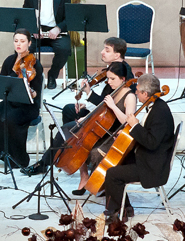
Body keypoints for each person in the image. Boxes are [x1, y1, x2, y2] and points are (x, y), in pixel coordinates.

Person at [24, 63, 138, 194]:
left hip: (112, 135)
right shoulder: (113, 90)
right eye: (108, 78)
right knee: (66, 130)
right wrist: (87, 118)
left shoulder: (130, 96)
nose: (109, 82)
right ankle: (53, 162)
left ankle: (99, 182)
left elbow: (128, 122)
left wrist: (113, 106)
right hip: (100, 129)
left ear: (123, 79)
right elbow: (102, 111)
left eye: (113, 79)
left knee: (90, 149)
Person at [92, 73, 175, 221]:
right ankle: (126, 207)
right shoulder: (156, 106)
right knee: (117, 161)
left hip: (152, 166)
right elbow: (149, 137)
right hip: (149, 157)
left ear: (145, 93)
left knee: (112, 173)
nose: (135, 93)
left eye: (137, 90)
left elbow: (152, 142)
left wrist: (135, 125)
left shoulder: (160, 112)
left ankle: (117, 212)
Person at [0, 29, 43, 169]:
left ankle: (18, 159)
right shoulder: (9, 61)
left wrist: (31, 92)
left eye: (22, 41)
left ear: (29, 43)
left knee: (10, 118)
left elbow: (37, 92)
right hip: (11, 101)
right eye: (16, 41)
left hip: (28, 106)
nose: (18, 44)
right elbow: (2, 82)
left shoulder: (35, 64)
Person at [62, 37, 134, 124]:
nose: (102, 52)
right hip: (100, 111)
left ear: (117, 55)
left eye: (107, 51)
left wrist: (89, 93)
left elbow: (106, 104)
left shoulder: (121, 74)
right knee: (68, 109)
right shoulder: (113, 69)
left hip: (107, 119)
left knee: (69, 118)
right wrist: (87, 105)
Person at [24, 0, 71, 90]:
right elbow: (25, 15)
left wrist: (58, 28)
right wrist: (34, 29)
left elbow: (69, 17)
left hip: (56, 30)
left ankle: (52, 75)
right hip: (36, 31)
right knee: (24, 48)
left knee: (64, 49)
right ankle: (32, 77)